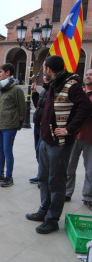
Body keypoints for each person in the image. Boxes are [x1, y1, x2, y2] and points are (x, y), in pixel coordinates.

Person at [26, 56, 92, 234]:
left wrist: (69, 129)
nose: (43, 70)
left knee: (56, 181)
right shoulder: (55, 83)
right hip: (46, 140)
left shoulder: (71, 85)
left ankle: (52, 220)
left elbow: (85, 107)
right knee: (43, 178)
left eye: (45, 67)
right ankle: (44, 210)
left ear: (48, 68)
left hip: (60, 143)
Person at [0, 63, 25, 187]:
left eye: (0, 71)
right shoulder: (1, 88)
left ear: (8, 73)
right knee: (0, 150)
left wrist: (18, 124)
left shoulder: (16, 89)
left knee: (7, 151)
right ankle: (0, 174)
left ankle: (9, 176)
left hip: (10, 125)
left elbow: (22, 109)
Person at [65, 68, 92, 206]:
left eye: (91, 75)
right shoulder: (78, 92)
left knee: (90, 169)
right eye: (87, 74)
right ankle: (67, 192)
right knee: (70, 165)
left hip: (90, 137)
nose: (88, 76)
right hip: (75, 135)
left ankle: (88, 197)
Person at [28, 76, 49, 185]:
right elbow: (38, 106)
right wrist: (35, 93)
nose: (45, 78)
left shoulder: (53, 91)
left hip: (44, 126)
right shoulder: (45, 90)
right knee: (38, 152)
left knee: (41, 151)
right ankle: (41, 174)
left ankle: (44, 177)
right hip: (37, 124)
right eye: (44, 76)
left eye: (47, 76)